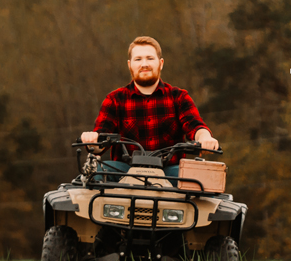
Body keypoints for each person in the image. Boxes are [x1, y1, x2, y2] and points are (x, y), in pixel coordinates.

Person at [81, 36, 218, 181]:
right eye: (138, 59)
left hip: (170, 172)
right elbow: (100, 142)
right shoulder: (115, 99)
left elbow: (195, 125)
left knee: (198, 178)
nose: (144, 64)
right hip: (124, 172)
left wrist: (205, 138)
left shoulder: (179, 97)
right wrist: (92, 140)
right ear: (130, 64)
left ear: (161, 63)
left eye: (150, 58)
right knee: (96, 172)